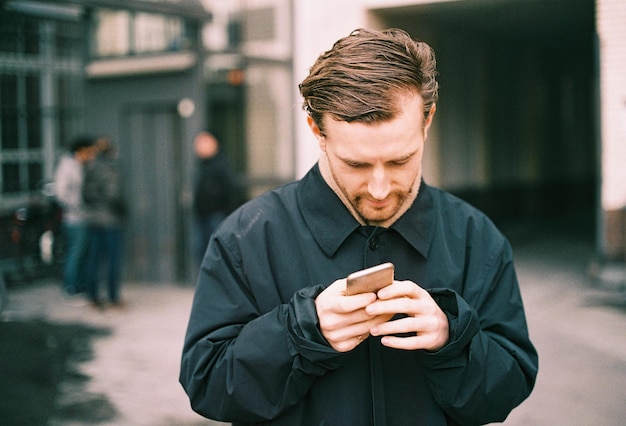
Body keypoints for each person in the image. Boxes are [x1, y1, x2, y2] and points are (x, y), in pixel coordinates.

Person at [180, 28, 538, 425]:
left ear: (427, 120)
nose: (380, 188)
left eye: (401, 160)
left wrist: (451, 339)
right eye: (357, 164)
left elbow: (510, 386)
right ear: (318, 131)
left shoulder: (476, 237)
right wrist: (301, 332)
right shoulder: (245, 237)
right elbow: (207, 384)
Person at [83, 137, 126, 307]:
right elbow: (113, 195)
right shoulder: (111, 169)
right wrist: (123, 210)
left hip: (93, 220)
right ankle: (113, 297)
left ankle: (92, 296)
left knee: (93, 260)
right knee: (112, 261)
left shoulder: (90, 168)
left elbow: (85, 194)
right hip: (111, 220)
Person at [54, 136, 97, 295]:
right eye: (89, 152)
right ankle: (71, 285)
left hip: (85, 216)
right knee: (76, 253)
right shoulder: (67, 166)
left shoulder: (82, 165)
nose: (91, 155)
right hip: (74, 218)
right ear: (81, 150)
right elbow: (61, 193)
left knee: (83, 253)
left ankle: (80, 284)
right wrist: (76, 207)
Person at [191, 130, 236, 263]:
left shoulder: (220, 164)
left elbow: (228, 189)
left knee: (214, 253)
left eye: (203, 142)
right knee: (202, 252)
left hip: (216, 216)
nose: (198, 146)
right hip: (203, 216)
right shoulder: (203, 164)